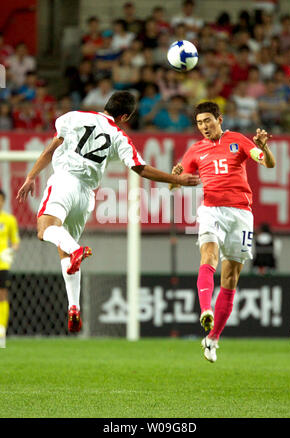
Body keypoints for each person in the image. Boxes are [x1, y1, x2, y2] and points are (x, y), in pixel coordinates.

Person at [16, 91, 199, 334]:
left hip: (65, 181)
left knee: (46, 229)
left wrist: (31, 177)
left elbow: (51, 149)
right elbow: (140, 168)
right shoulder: (119, 135)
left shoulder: (74, 117)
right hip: (86, 196)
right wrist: (177, 179)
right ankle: (74, 307)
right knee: (65, 247)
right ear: (125, 116)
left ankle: (76, 251)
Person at [169, 101, 275, 363]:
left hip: (240, 214)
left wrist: (264, 148)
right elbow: (177, 184)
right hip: (211, 210)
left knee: (230, 278)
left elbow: (267, 163)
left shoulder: (237, 141)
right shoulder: (194, 151)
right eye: (200, 123)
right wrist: (175, 179)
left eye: (208, 120)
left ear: (220, 119)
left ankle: (212, 337)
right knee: (208, 256)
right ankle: (206, 310)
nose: (204, 126)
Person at [0, 190, 20, 348]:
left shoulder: (9, 220)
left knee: (2, 296)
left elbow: (15, 241)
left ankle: (1, 332)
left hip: (2, 264)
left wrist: (10, 251)